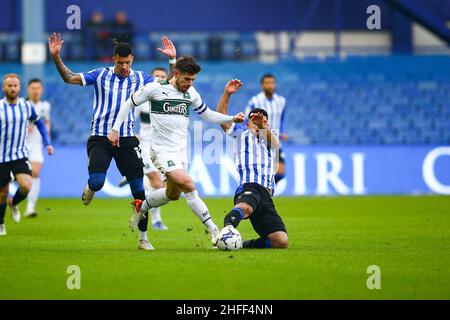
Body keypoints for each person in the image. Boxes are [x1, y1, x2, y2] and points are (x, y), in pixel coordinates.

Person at [48, 32, 176, 250]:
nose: (124, 66)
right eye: (120, 62)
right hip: (100, 137)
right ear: (113, 60)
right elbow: (69, 78)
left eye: (127, 62)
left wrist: (172, 60)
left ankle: (143, 239)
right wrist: (56, 57)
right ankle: (90, 189)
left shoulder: (140, 78)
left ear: (132, 60)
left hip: (126, 139)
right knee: (97, 182)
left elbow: (169, 84)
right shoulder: (100, 75)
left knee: (139, 190)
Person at [108, 55, 245, 248]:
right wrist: (115, 130)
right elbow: (129, 104)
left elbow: (206, 114)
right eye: (187, 79)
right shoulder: (155, 89)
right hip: (161, 151)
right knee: (189, 184)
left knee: (172, 194)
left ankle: (141, 207)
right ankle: (215, 232)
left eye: (193, 80)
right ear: (176, 73)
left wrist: (231, 118)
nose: (189, 83)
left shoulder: (191, 93)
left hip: (181, 153)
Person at [217, 84, 288, 248]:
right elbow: (221, 117)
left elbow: (276, 143)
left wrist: (263, 128)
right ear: (248, 122)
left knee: (280, 241)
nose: (258, 120)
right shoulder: (241, 133)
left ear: (267, 122)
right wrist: (227, 93)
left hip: (267, 196)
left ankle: (242, 244)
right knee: (245, 208)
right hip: (250, 186)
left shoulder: (270, 138)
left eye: (263, 118)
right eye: (254, 118)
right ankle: (226, 231)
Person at [0, 74, 54, 236]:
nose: (12, 88)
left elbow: (40, 122)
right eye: (9, 85)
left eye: (15, 85)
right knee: (2, 193)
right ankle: (1, 223)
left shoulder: (26, 106)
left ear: (19, 88)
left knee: (26, 185)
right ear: (4, 88)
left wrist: (48, 142)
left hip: (20, 154)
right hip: (1, 157)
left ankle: (14, 203)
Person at [119, 67, 168, 230]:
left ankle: (136, 177)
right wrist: (134, 135)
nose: (160, 78)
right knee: (158, 183)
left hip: (163, 147)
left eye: (163, 76)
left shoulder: (170, 100)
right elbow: (129, 119)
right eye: (156, 76)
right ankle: (156, 220)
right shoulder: (143, 100)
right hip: (146, 146)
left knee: (160, 187)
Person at [246, 74, 287, 185]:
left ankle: (266, 190)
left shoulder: (281, 101)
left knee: (280, 173)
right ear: (262, 85)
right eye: (267, 83)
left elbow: (282, 117)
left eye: (272, 83)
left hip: (275, 141)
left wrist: (282, 131)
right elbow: (248, 119)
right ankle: (264, 191)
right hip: (260, 143)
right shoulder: (255, 101)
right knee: (264, 171)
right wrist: (254, 131)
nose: (270, 85)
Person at [24, 79, 51, 218]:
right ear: (28, 89)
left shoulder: (45, 106)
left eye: (38, 88)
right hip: (20, 145)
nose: (35, 91)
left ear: (42, 90)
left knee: (34, 172)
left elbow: (46, 122)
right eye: (33, 88)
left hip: (36, 146)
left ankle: (30, 207)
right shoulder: (23, 105)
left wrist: (48, 141)